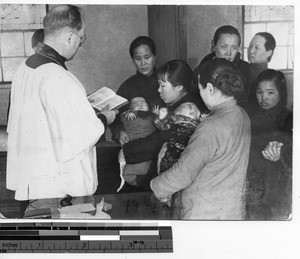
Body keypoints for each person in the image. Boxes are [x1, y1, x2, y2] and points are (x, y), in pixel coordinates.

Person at [6, 5, 117, 205]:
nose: (80, 44)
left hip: (34, 178)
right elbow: (80, 137)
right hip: (58, 187)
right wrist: (103, 117)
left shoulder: (25, 67)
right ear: (69, 36)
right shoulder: (60, 77)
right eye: (81, 38)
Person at [151, 58, 251, 220]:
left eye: (200, 89)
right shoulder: (242, 115)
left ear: (210, 89)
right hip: (231, 211)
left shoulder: (211, 126)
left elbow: (184, 173)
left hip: (203, 214)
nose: (200, 95)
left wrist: (155, 186)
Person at [122, 59, 204, 191]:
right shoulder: (176, 103)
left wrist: (126, 150)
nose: (159, 90)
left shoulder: (186, 111)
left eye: (163, 86)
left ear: (179, 87)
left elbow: (158, 142)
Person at [246, 69, 292, 220]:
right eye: (259, 92)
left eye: (270, 93)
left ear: (281, 93)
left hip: (276, 188)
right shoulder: (252, 116)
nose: (263, 97)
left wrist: (282, 152)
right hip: (253, 185)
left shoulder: (289, 118)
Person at [193, 25, 254, 107]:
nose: (228, 53)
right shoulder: (203, 67)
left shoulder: (246, 70)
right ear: (213, 45)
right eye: (224, 47)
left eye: (233, 48)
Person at [117, 97, 157, 190]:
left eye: (143, 102)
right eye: (135, 103)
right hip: (132, 144)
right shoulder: (127, 115)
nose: (140, 104)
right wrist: (120, 132)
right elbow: (120, 123)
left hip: (147, 148)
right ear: (129, 108)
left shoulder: (152, 116)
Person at [247, 32, 276, 110]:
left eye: (257, 48)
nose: (251, 51)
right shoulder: (242, 69)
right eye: (250, 46)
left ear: (268, 53)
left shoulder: (272, 77)